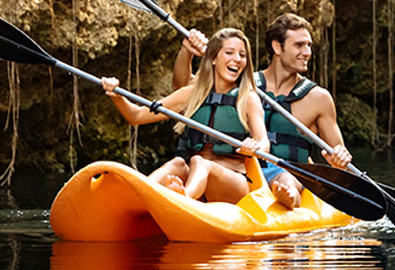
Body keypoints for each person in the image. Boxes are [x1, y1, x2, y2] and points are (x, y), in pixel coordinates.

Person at [175, 13, 354, 210]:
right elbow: (187, 88)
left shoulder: (319, 98)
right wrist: (187, 51)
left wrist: (339, 159)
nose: (307, 52)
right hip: (243, 172)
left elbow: (341, 162)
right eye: (299, 45)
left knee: (287, 181)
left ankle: (286, 198)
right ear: (277, 47)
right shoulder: (241, 81)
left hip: (290, 173)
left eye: (309, 45)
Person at [103, 28, 271, 203]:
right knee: (177, 164)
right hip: (194, 175)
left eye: (242, 55)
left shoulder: (248, 98)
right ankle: (135, 197)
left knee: (200, 162)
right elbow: (136, 116)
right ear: (213, 58)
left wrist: (255, 147)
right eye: (229, 52)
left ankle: (184, 200)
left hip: (235, 181)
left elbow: (264, 142)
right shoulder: (191, 94)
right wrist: (117, 96)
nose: (237, 59)